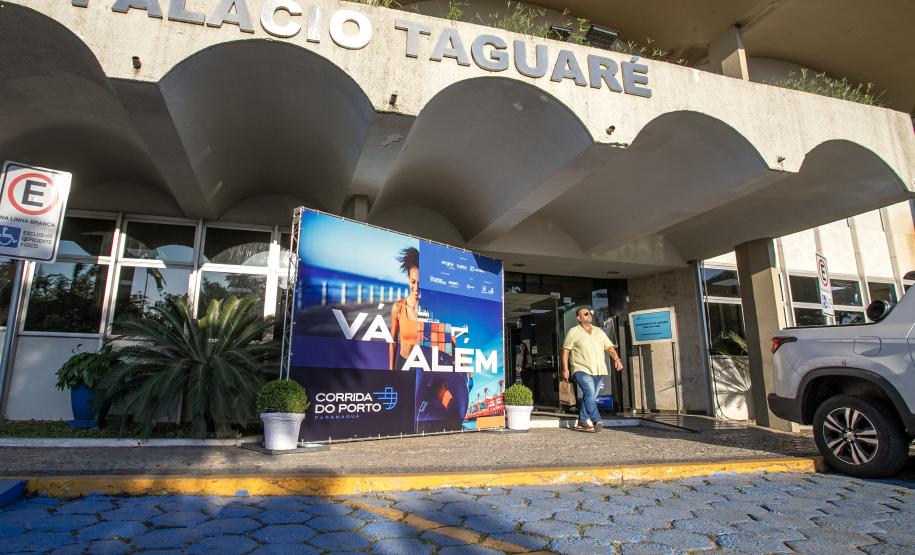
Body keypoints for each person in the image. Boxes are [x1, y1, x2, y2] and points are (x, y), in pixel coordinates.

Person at [562, 306, 623, 432]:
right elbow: (565, 351)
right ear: (579, 318)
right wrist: (565, 369)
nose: (588, 315)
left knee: (589, 396)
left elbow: (610, 347)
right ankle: (596, 420)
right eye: (585, 314)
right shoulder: (573, 332)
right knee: (590, 393)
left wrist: (617, 359)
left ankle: (582, 421)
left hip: (598, 369)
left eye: (589, 313)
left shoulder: (599, 331)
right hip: (581, 369)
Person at [389, 247, 420, 371]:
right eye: (413, 282)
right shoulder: (398, 308)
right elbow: (393, 342)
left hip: (420, 368)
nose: (416, 287)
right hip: (402, 364)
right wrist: (391, 372)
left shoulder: (429, 311)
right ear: (408, 279)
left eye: (420, 282)